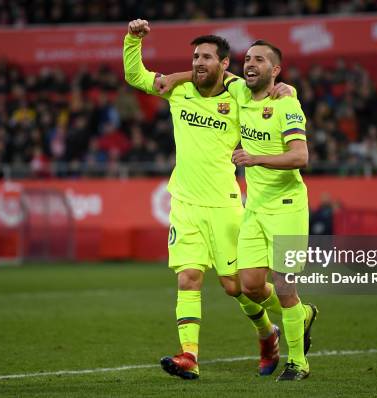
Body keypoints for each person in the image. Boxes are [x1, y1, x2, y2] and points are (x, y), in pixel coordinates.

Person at [123, 20, 292, 380]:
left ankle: (274, 329)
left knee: (238, 287)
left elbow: (268, 89)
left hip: (225, 203)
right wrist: (132, 40)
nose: (198, 62)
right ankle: (189, 355)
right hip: (184, 202)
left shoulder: (238, 94)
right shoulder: (178, 91)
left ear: (225, 63)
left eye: (206, 57)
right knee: (188, 278)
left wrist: (285, 90)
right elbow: (136, 76)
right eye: (195, 56)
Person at [160, 40, 318, 381]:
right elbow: (213, 73)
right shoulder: (239, 96)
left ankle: (298, 363)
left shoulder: (287, 104)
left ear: (275, 70)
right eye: (247, 59)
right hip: (255, 209)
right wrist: (177, 77)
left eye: (259, 60)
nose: (250, 64)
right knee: (246, 287)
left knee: (284, 286)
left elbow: (301, 157)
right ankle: (300, 317)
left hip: (288, 207)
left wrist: (255, 157)